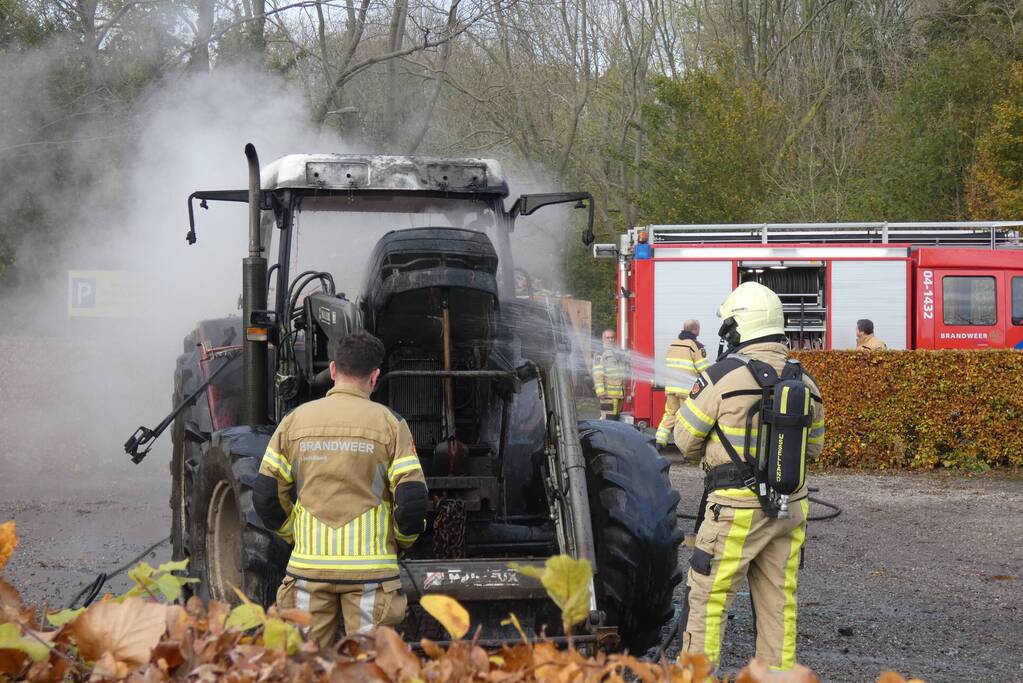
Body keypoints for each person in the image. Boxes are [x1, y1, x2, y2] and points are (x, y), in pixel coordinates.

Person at [673, 282, 825, 672]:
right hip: (791, 508)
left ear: (739, 328)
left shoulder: (720, 377)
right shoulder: (806, 383)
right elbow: (812, 451)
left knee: (708, 600)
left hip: (734, 511)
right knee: (779, 602)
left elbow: (685, 441)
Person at [253, 331, 428, 648]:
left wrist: (295, 534)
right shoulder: (391, 424)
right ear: (375, 376)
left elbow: (265, 495)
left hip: (308, 571)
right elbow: (412, 501)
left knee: (303, 665)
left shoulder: (294, 421)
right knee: (369, 667)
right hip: (372, 578)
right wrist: (399, 541)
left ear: (333, 370)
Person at [655, 320, 710, 449]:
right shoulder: (695, 345)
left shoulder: (673, 343)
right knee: (687, 419)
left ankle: (659, 441)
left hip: (671, 388)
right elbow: (703, 368)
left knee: (670, 414)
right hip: (686, 389)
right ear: (695, 330)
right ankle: (686, 449)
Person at [592, 328, 626, 420]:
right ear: (603, 339)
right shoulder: (600, 353)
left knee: (614, 420)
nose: (611, 340)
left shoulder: (617, 353)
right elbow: (598, 373)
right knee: (608, 420)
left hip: (619, 394)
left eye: (612, 338)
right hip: (608, 395)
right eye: (608, 338)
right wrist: (600, 391)